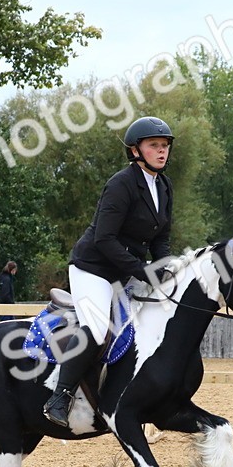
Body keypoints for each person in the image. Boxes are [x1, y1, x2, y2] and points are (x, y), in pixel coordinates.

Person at [42, 116, 175, 428]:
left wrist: (165, 269)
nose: (161, 151)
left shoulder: (164, 186)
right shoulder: (121, 184)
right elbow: (104, 240)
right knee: (98, 327)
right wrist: (143, 271)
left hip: (126, 271)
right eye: (154, 145)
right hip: (93, 268)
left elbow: (161, 239)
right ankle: (60, 396)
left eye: (165, 146)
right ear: (135, 150)